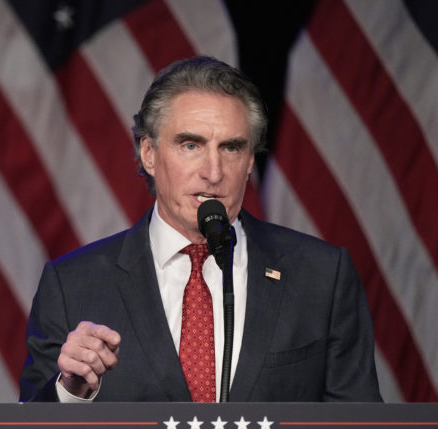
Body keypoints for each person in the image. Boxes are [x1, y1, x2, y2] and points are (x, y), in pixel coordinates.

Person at [19, 56, 381, 403]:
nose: (213, 171)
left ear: (250, 159)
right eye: (191, 145)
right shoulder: (72, 285)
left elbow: (359, 419)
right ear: (149, 154)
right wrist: (70, 392)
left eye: (232, 147)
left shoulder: (321, 276)